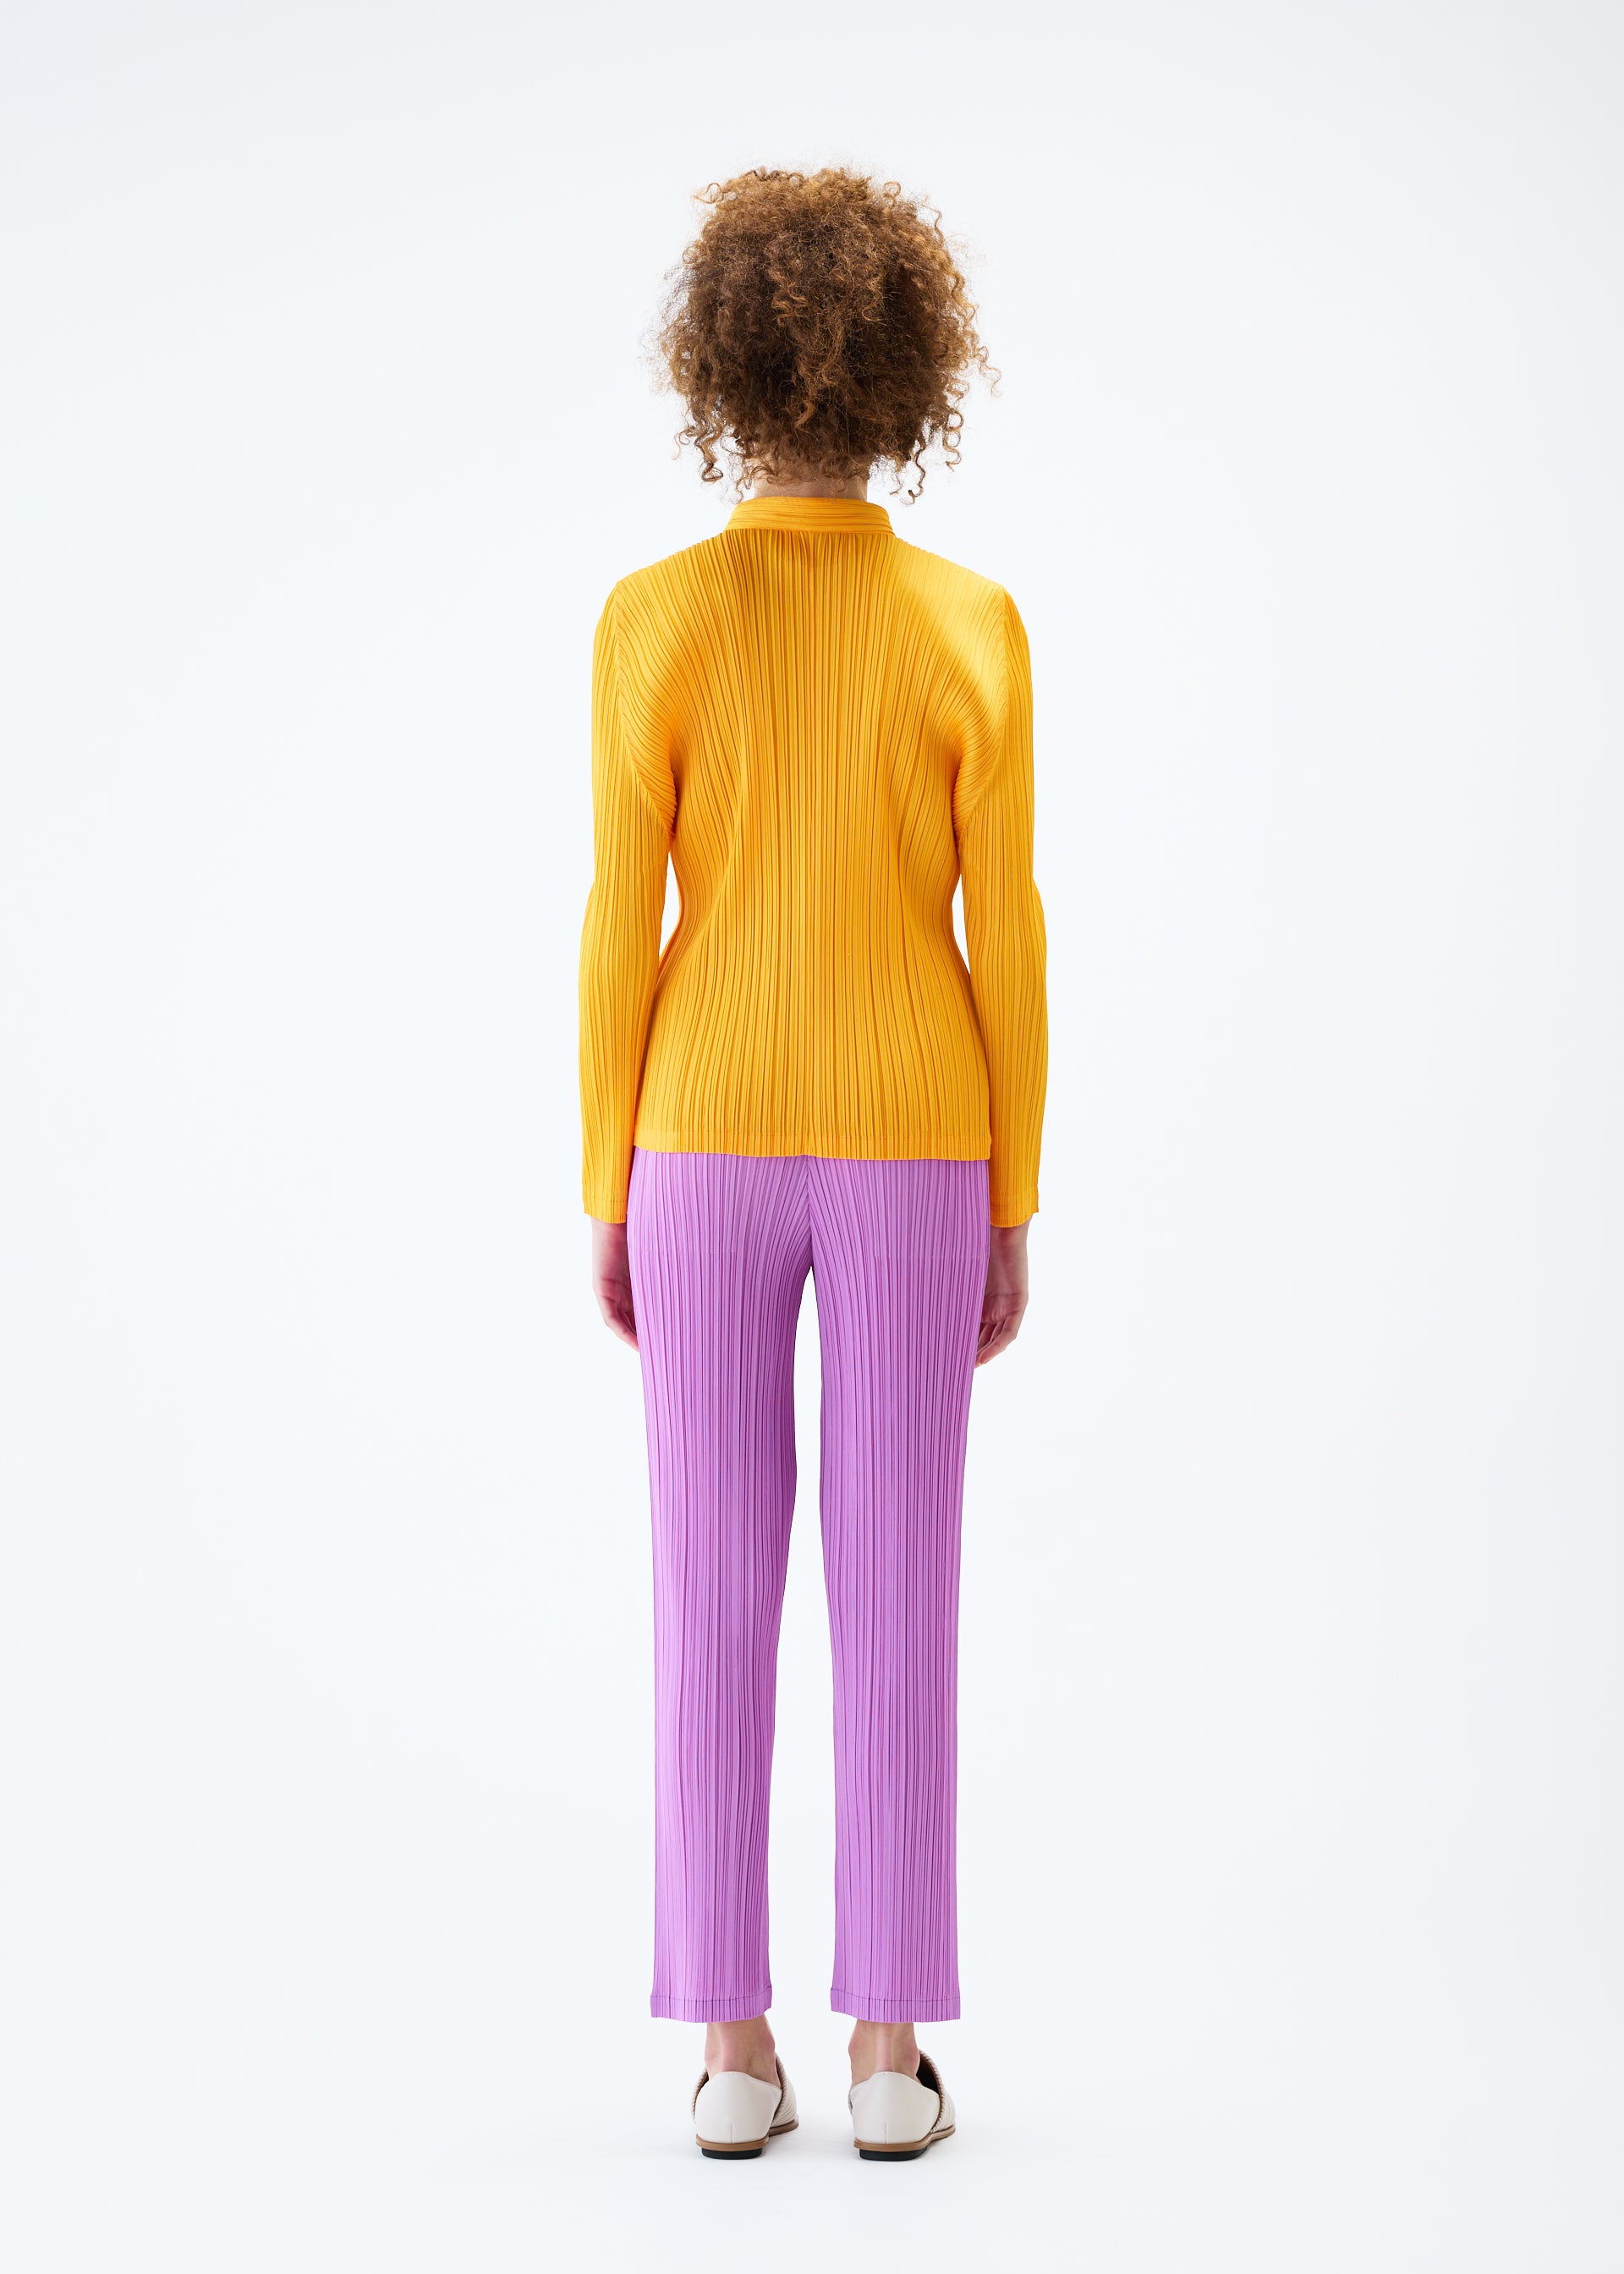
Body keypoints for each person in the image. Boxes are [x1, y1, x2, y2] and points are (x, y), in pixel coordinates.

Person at [577, 165, 1048, 2161]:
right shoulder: (971, 624)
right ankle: (885, 2054)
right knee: (899, 1585)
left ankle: (728, 2046)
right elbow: (1007, 930)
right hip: (920, 1138)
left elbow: (620, 920)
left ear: (718, 371)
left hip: (696, 1134)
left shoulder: (654, 618)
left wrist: (607, 1180)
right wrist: (1012, 1198)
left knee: (708, 1584)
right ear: (909, 374)